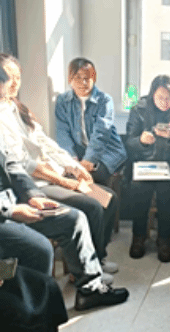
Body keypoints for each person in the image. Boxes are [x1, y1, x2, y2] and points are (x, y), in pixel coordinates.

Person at [0, 53, 119, 276]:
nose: (14, 83)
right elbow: (22, 164)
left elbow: (45, 141)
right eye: (9, 77)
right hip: (35, 185)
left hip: (52, 175)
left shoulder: (17, 108)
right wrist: (64, 181)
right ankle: (83, 270)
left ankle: (98, 259)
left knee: (107, 198)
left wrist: (74, 167)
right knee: (92, 206)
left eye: (18, 77)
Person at [0, 147, 129, 316]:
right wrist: (9, 210)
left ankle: (92, 280)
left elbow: (12, 164)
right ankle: (36, 320)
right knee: (92, 207)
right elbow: (29, 164)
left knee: (92, 208)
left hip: (27, 193)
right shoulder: (11, 131)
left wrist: (32, 195)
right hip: (38, 189)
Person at [125, 75, 170, 262]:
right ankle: (138, 235)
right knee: (139, 187)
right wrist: (141, 141)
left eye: (169, 98)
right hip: (145, 162)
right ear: (152, 95)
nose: (165, 102)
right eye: (160, 98)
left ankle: (164, 238)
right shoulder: (139, 109)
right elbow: (129, 142)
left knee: (166, 188)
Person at [55, 57, 127, 186]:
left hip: (107, 151)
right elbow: (62, 132)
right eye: (77, 77)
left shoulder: (105, 100)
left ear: (94, 79)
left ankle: (106, 199)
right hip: (80, 153)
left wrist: (89, 159)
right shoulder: (62, 101)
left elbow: (101, 133)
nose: (83, 82)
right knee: (68, 176)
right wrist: (71, 158)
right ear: (70, 79)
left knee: (93, 177)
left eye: (87, 78)